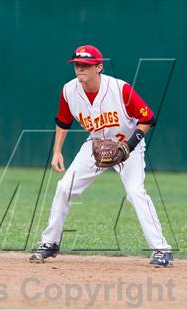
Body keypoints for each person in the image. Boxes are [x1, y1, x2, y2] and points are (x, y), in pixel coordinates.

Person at [29, 45, 173, 267]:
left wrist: (129, 146)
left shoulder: (119, 89)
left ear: (99, 67)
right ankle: (50, 243)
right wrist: (57, 151)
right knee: (64, 187)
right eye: (77, 64)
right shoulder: (69, 91)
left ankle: (161, 249)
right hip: (95, 144)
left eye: (86, 65)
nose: (80, 69)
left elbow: (148, 118)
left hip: (127, 144)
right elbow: (63, 121)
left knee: (135, 192)